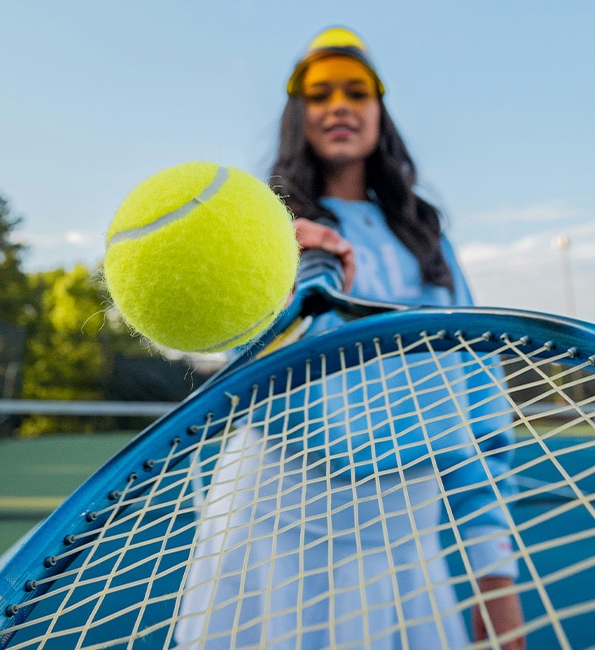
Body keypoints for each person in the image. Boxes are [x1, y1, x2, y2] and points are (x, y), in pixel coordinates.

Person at [175, 27, 525, 649]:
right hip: (271, 523)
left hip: (401, 532)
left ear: (379, 113)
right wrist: (282, 292)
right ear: (297, 114)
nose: (339, 104)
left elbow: (480, 400)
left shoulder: (429, 240)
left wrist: (494, 574)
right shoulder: (266, 227)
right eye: (320, 93)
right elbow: (242, 365)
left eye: (357, 92)